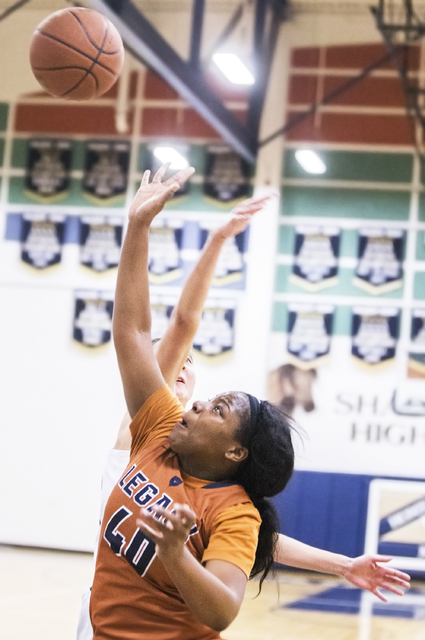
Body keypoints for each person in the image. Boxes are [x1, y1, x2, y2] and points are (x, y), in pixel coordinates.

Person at [80, 167, 410, 640]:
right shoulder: (156, 432)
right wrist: (137, 226)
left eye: (215, 409)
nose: (195, 404)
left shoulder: (232, 509)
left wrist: (175, 553)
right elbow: (133, 331)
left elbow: (223, 608)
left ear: (236, 452)